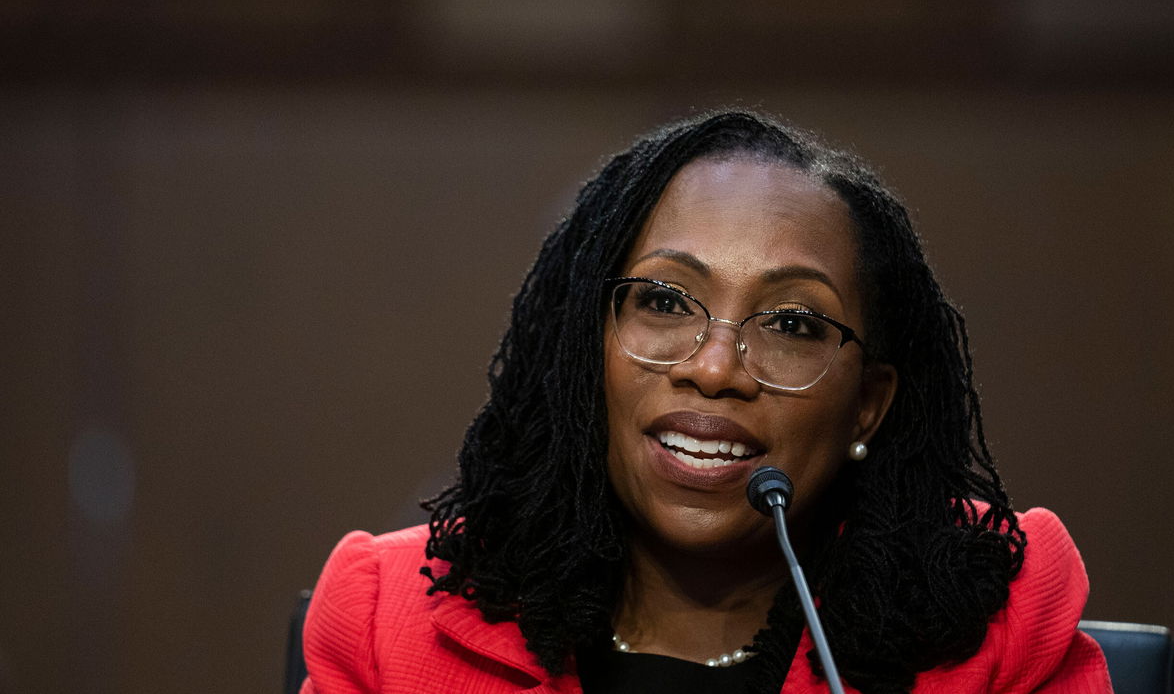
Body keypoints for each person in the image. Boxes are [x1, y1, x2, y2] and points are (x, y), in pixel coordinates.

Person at [300, 111, 1111, 693]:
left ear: (868, 403)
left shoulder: (998, 629)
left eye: (792, 321)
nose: (717, 367)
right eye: (664, 301)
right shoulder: (387, 614)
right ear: (589, 345)